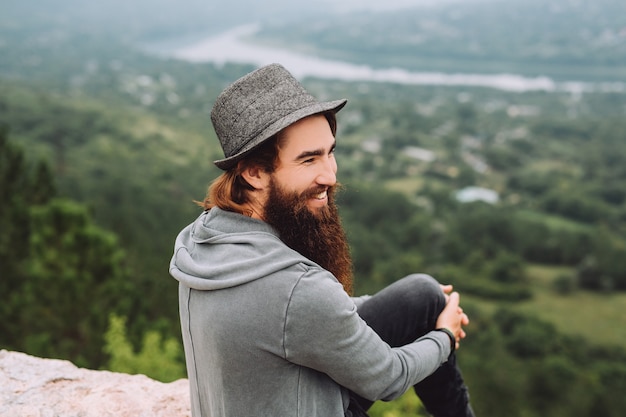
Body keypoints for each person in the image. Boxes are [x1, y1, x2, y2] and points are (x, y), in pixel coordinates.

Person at [170, 63, 475, 417]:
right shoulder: (294, 289)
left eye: (330, 152)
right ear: (254, 172)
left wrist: (401, 307)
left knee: (422, 295)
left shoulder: (201, 241)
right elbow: (389, 378)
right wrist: (444, 336)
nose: (330, 174)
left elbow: (295, 317)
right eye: (309, 159)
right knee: (426, 309)